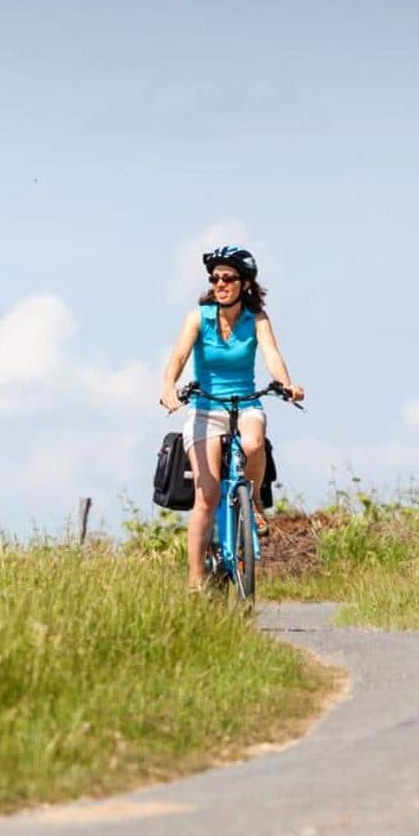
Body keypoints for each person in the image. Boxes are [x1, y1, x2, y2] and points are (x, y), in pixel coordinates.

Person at [160, 246, 305, 591]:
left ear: (245, 283)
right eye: (215, 278)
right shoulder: (199, 317)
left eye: (228, 278)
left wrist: (287, 384)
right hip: (205, 406)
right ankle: (196, 580)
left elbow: (271, 355)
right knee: (207, 495)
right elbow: (179, 355)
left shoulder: (256, 319)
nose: (220, 283)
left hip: (244, 401)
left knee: (255, 443)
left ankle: (252, 502)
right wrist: (169, 386)